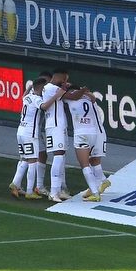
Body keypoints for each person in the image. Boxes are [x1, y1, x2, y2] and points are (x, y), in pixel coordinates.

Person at [12, 77, 64, 200]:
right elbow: (44, 106)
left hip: (20, 131)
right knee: (33, 161)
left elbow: (23, 95)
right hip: (30, 133)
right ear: (41, 88)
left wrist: (30, 87)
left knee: (24, 158)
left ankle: (15, 184)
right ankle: (30, 191)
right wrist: (56, 96)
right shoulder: (37, 99)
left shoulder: (27, 97)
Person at [42, 69, 86, 202]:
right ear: (60, 77)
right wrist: (84, 90)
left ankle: (59, 189)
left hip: (57, 125)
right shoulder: (51, 89)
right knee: (59, 156)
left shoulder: (51, 89)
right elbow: (73, 97)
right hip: (55, 126)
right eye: (65, 79)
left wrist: (64, 87)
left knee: (61, 156)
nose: (66, 82)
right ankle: (54, 191)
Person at [69, 85, 111, 202]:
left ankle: (96, 188)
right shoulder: (88, 99)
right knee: (93, 160)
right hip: (95, 132)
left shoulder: (84, 99)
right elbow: (91, 97)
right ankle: (103, 182)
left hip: (97, 133)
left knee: (91, 161)